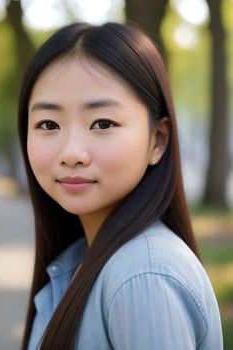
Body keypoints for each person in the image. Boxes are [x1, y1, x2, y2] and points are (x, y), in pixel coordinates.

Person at [17, 22, 223, 349]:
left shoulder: (142, 277)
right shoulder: (82, 258)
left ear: (157, 140)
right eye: (48, 124)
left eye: (102, 123)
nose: (72, 153)